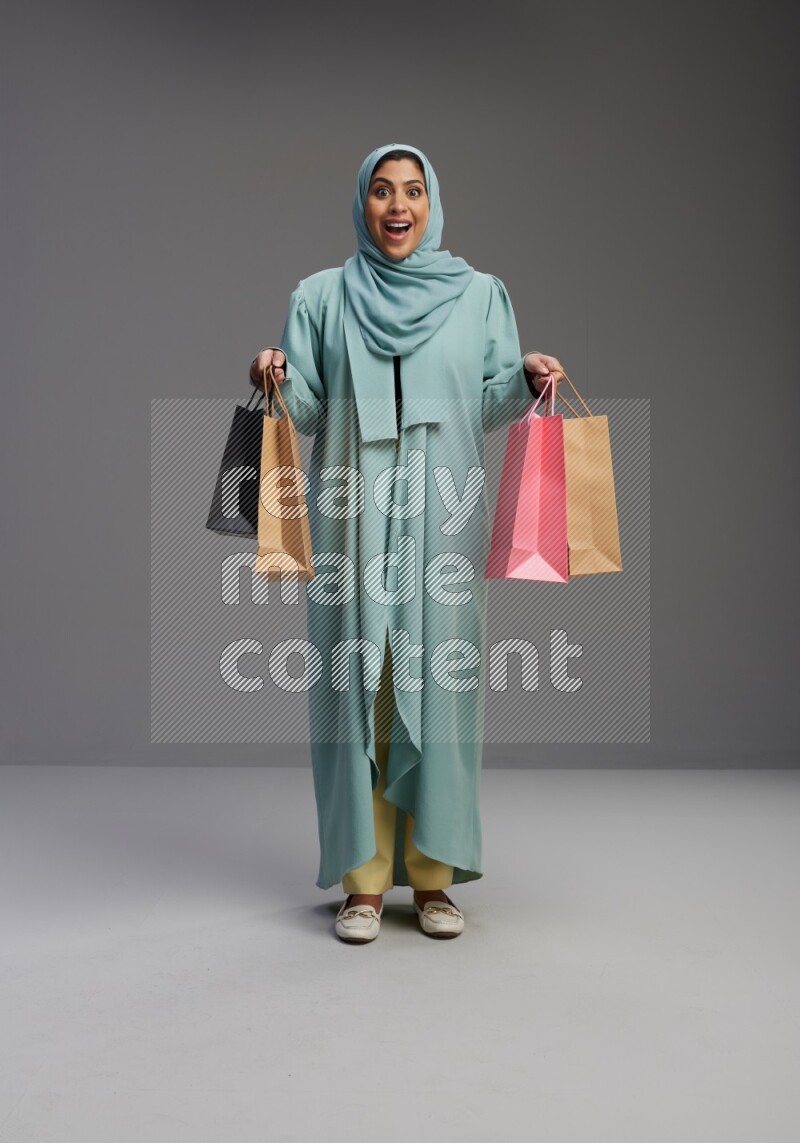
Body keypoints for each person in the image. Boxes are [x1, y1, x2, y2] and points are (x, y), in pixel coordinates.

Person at [249, 143, 563, 943]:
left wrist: (524, 380)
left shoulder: (481, 296)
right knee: (359, 683)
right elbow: (312, 410)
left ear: (432, 202)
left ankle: (432, 878)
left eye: (413, 191)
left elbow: (489, 402)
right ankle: (362, 881)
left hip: (443, 516)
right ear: (362, 203)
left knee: (440, 687)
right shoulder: (321, 297)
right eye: (383, 191)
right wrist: (276, 376)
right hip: (352, 510)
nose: (397, 205)